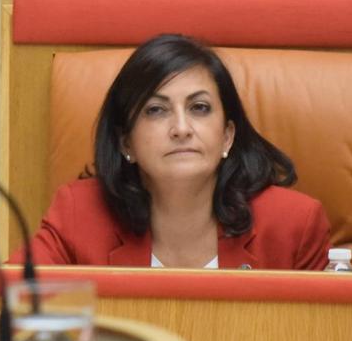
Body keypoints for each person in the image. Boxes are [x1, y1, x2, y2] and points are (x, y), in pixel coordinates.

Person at [20, 34, 331, 269]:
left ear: (227, 136)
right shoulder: (77, 215)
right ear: (126, 142)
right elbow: (7, 305)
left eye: (199, 108)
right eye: (156, 110)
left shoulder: (293, 225)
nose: (181, 128)